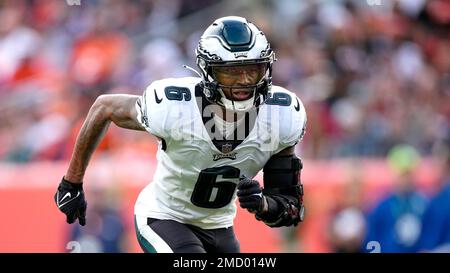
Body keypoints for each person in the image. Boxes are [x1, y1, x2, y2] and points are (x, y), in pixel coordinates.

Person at [54, 16, 307, 253]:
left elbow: (289, 208)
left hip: (220, 226)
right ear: (209, 71)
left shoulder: (281, 114)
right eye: (231, 71)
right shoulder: (174, 107)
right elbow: (104, 106)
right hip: (164, 217)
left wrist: (262, 204)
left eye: (252, 69)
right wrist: (72, 183)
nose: (243, 81)